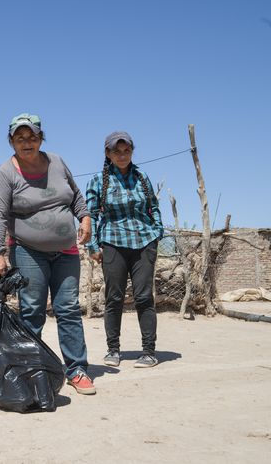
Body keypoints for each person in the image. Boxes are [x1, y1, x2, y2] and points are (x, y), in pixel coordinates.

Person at [0, 113, 95, 395]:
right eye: (20, 138)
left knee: (69, 309)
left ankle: (77, 370)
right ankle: (30, 371)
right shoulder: (5, 173)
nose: (27, 142)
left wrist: (85, 218)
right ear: (11, 141)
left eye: (32, 137)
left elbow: (75, 196)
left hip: (67, 251)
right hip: (28, 251)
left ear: (41, 138)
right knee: (32, 311)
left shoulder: (57, 162)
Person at [85, 131, 164, 368]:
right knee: (114, 297)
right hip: (112, 242)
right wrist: (92, 245)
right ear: (108, 153)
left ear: (132, 151)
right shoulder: (98, 180)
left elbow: (154, 207)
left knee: (143, 297)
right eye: (116, 151)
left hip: (143, 242)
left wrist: (157, 231)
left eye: (126, 151)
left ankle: (149, 351)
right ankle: (113, 350)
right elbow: (91, 215)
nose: (122, 155)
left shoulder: (142, 177)